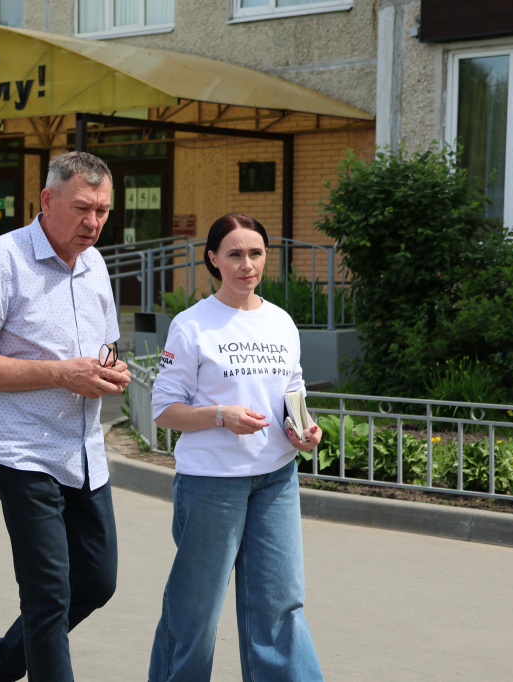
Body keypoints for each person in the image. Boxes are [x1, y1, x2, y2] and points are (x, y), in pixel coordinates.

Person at [0, 151, 132, 682]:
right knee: (48, 594)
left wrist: (112, 369)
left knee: (96, 581)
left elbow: (105, 348)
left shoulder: (96, 264)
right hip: (22, 450)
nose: (93, 222)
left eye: (102, 210)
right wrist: (61, 374)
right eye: (82, 208)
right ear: (47, 200)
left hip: (84, 449)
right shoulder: (0, 259)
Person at [147, 214, 324, 682]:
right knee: (195, 612)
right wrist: (220, 415)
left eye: (256, 253)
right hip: (211, 484)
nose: (247, 265)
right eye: (235, 254)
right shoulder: (192, 325)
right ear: (213, 260)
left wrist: (304, 430)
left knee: (281, 605)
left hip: (276, 480)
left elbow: (292, 393)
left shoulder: (281, 322)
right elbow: (163, 410)